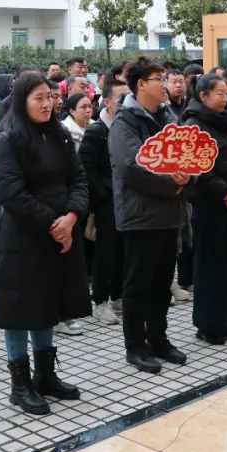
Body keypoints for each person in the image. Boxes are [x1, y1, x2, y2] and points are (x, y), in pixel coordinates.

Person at [0, 72, 89, 414]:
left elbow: (78, 177)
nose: (47, 103)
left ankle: (45, 375)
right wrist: (55, 224)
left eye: (50, 96)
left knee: (48, 304)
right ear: (22, 100)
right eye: (39, 98)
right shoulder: (7, 138)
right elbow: (12, 194)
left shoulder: (59, 133)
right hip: (24, 237)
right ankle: (20, 384)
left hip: (60, 233)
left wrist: (73, 217)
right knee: (21, 310)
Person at [107, 58, 190, 372]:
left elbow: (187, 153)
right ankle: (135, 346)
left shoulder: (168, 115)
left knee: (161, 282)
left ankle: (158, 338)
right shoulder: (125, 122)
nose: (165, 84)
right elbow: (132, 168)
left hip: (169, 213)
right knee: (138, 283)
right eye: (159, 78)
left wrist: (186, 179)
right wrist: (173, 184)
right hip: (140, 215)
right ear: (141, 84)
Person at [183, 74, 227, 345]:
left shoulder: (225, 122)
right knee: (211, 266)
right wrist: (225, 193)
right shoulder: (192, 124)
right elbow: (198, 169)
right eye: (219, 93)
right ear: (203, 96)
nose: (225, 98)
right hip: (210, 205)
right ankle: (210, 324)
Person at [80, 79, 127, 325]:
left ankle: (118, 296)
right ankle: (100, 302)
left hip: (126, 201)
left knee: (123, 251)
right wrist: (101, 198)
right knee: (105, 254)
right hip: (106, 202)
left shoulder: (127, 127)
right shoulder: (97, 130)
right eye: (121, 98)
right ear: (107, 102)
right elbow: (86, 167)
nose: (126, 102)